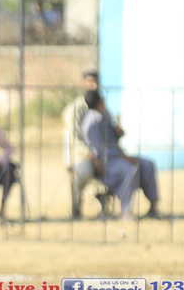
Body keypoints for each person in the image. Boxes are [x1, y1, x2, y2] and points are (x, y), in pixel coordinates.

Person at [80, 90, 162, 220]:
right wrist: (122, 157)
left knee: (148, 165)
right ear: (100, 102)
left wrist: (118, 131)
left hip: (118, 157)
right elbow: (100, 150)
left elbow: (114, 136)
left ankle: (153, 208)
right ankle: (125, 212)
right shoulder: (92, 124)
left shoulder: (104, 115)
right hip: (106, 163)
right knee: (130, 170)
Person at [63, 70, 102, 218]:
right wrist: (90, 155)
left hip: (101, 154)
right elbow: (74, 139)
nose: (93, 85)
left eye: (96, 82)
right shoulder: (75, 109)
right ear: (83, 84)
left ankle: (104, 202)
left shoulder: (101, 106)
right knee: (83, 171)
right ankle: (77, 205)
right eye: (90, 82)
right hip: (82, 155)